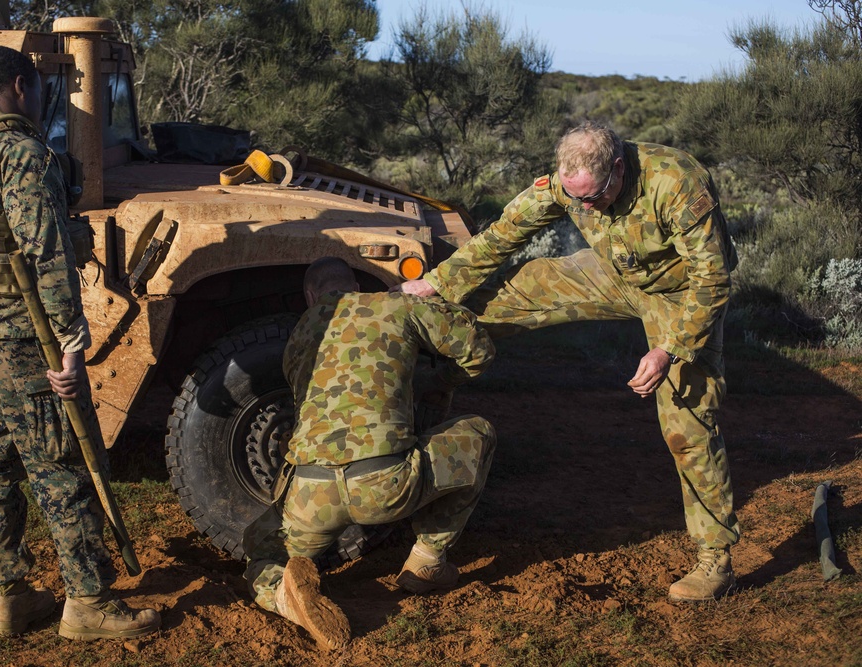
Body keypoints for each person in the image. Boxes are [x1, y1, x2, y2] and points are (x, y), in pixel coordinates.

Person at [397, 121, 741, 603]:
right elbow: (503, 234)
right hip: (615, 272)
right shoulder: (569, 184)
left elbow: (712, 279)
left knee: (687, 422)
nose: (582, 207)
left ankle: (714, 560)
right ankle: (412, 400)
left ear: (618, 168)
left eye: (593, 198)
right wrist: (437, 283)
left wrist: (670, 349)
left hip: (679, 295)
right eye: (573, 197)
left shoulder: (676, 182)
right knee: (486, 298)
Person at [0, 45, 159, 639]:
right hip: (17, 333)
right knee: (61, 464)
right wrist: (71, 346)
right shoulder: (21, 153)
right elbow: (48, 255)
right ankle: (88, 602)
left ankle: (8, 597)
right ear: (19, 87)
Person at [243, 257, 497, 650]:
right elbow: (478, 349)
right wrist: (440, 381)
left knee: (263, 551)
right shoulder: (397, 306)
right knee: (479, 433)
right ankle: (427, 560)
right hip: (388, 484)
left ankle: (281, 595)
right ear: (356, 287)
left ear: (311, 296)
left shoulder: (302, 331)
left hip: (313, 494)